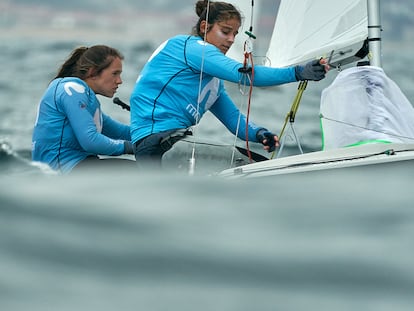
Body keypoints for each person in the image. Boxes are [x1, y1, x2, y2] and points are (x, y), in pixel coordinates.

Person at [129, 0, 328, 167]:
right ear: (205, 27)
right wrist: (298, 72)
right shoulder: (189, 47)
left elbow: (234, 121)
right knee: (253, 166)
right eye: (225, 32)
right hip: (158, 143)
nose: (231, 39)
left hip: (166, 145)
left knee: (253, 162)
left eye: (235, 33)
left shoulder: (213, 83)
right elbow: (244, 75)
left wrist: (259, 134)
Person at [32, 45, 135, 174]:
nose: (119, 81)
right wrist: (131, 147)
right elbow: (90, 141)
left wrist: (154, 134)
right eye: (115, 74)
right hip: (62, 171)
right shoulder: (72, 89)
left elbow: (120, 132)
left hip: (78, 166)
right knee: (141, 172)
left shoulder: (84, 97)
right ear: (92, 72)